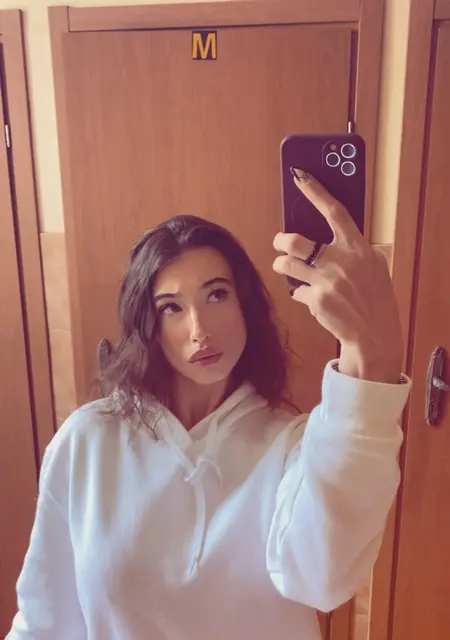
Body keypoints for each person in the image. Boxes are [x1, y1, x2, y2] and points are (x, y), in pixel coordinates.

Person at [7, 170, 410, 640]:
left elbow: (323, 578)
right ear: (148, 324)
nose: (199, 330)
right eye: (171, 308)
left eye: (217, 294)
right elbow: (44, 621)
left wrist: (370, 355)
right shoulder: (88, 441)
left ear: (245, 307)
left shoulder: (294, 447)